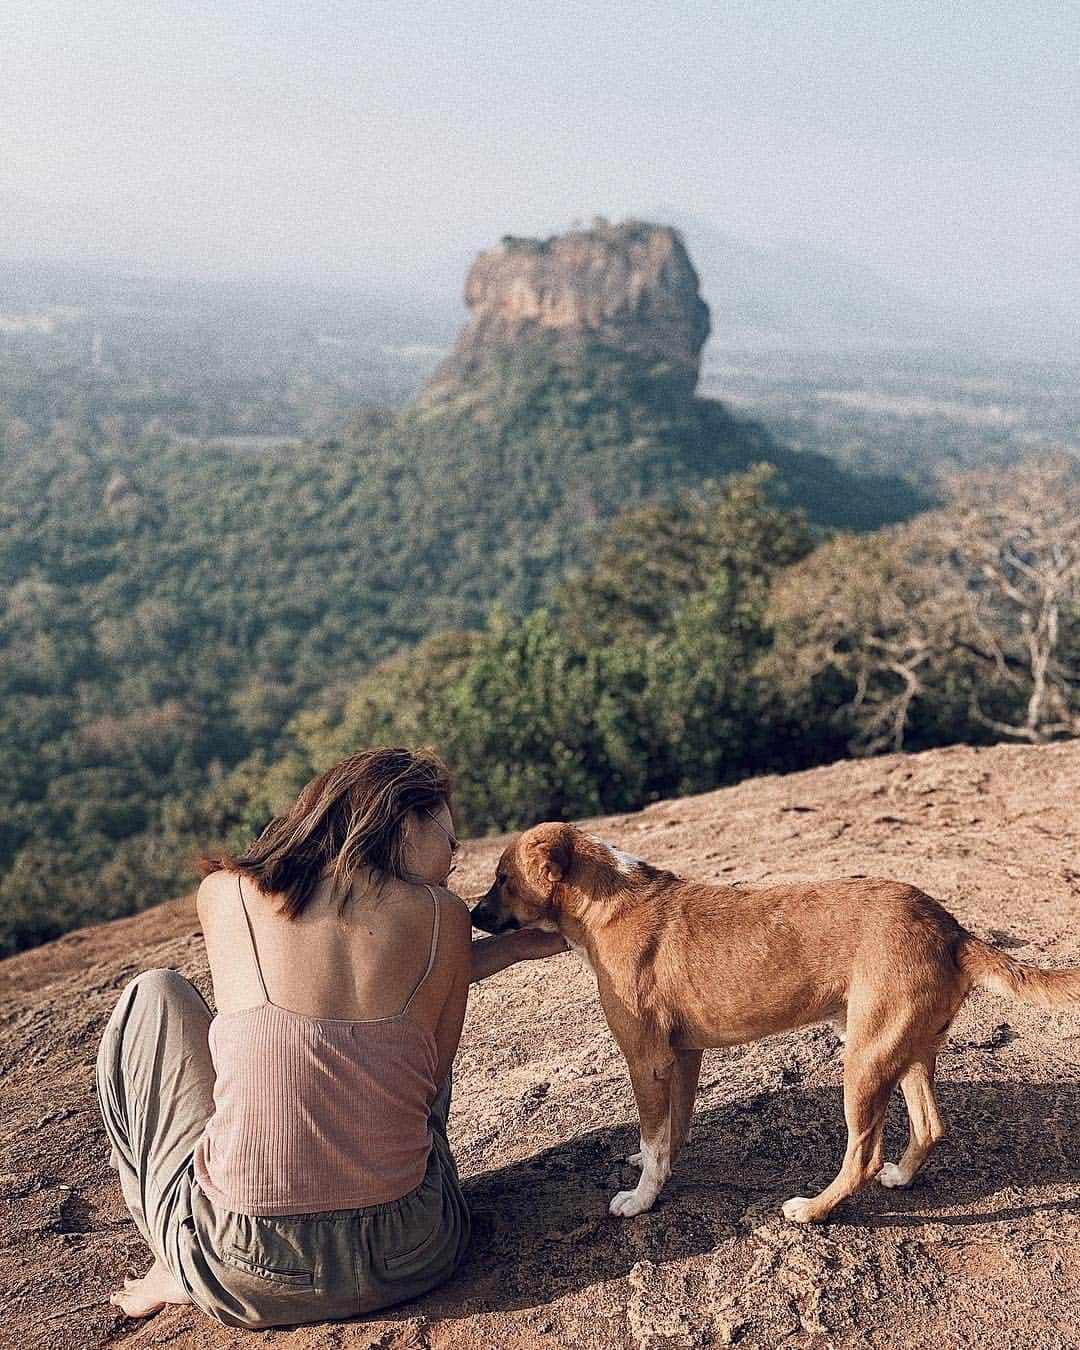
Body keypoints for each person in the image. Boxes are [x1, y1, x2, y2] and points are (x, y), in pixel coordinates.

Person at [95, 746, 566, 1328]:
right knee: (403, 1059)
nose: (453, 860)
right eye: (450, 840)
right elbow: (429, 1085)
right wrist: (509, 946)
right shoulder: (444, 914)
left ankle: (178, 1259)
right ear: (402, 821)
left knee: (157, 995)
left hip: (245, 1269)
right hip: (414, 1252)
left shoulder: (226, 893)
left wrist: (512, 948)